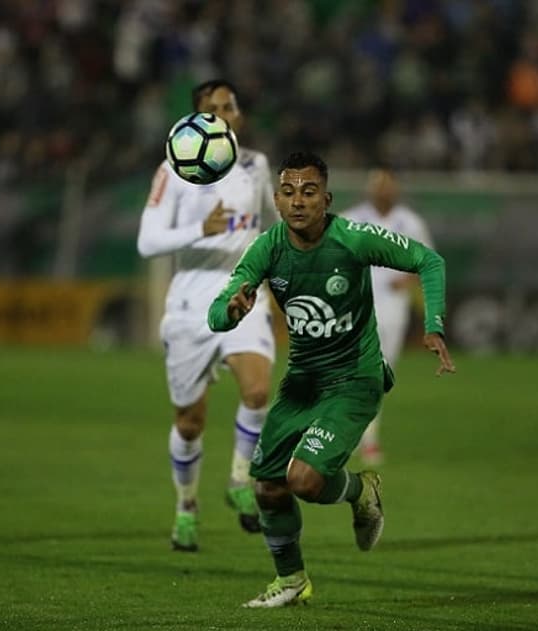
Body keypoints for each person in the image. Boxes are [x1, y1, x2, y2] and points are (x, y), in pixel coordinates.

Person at [208, 151, 454, 607]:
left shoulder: (353, 238)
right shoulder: (266, 248)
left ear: (327, 199)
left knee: (303, 479)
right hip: (303, 381)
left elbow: (429, 260)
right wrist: (231, 310)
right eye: (288, 192)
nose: (298, 201)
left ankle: (362, 490)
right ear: (277, 202)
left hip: (355, 379)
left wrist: (434, 324)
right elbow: (218, 313)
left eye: (308, 191)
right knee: (266, 486)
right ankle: (293, 581)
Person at [137, 79, 277, 552]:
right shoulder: (173, 170)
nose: (225, 115)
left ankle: (240, 479)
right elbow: (148, 241)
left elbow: (270, 229)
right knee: (190, 424)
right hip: (189, 307)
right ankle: (186, 507)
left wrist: (279, 283)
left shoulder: (257, 166)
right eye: (213, 109)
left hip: (243, 295)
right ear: (195, 120)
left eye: (230, 106)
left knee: (258, 390)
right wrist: (202, 227)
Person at [341, 168, 433, 465]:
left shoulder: (411, 223)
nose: (384, 191)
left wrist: (408, 279)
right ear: (369, 190)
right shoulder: (351, 219)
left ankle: (359, 435)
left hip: (394, 308)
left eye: (388, 186)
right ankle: (364, 439)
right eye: (378, 186)